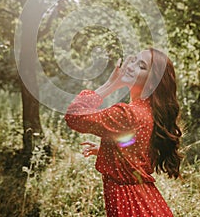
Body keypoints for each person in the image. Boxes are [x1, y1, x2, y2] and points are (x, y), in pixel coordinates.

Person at [65, 48, 183, 217]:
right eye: (134, 59)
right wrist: (105, 150)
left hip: (131, 207)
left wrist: (111, 84)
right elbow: (138, 153)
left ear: (151, 82)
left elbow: (74, 115)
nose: (131, 66)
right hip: (145, 202)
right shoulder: (149, 112)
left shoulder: (127, 114)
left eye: (141, 66)